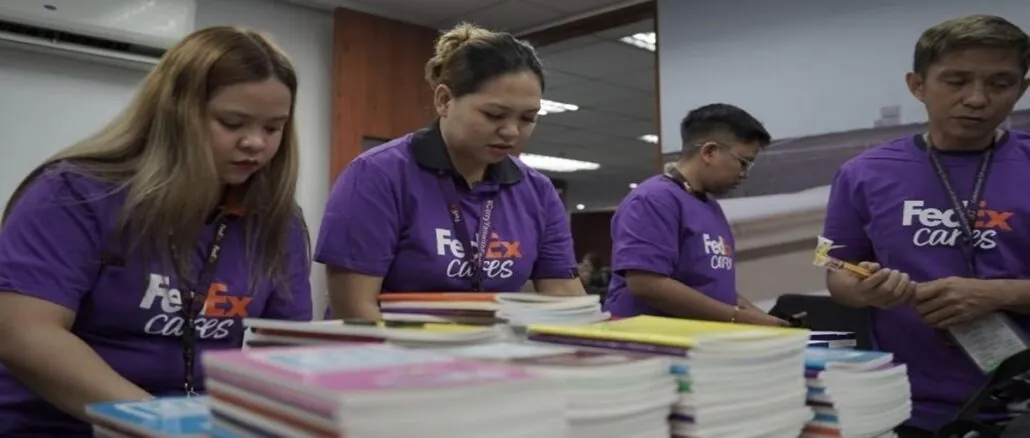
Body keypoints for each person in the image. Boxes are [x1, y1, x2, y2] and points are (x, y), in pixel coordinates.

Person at [0, 27, 313, 436]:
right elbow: (24, 334)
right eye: (232, 122)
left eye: (273, 128)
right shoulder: (72, 194)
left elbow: (286, 352)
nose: (255, 142)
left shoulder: (278, 221)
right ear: (174, 114)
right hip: (61, 425)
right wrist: (161, 425)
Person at [821, 15, 1030, 437]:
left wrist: (998, 294)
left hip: (1020, 406)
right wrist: (864, 288)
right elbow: (837, 268)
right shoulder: (863, 173)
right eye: (956, 81)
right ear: (918, 85)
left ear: (1022, 89)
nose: (976, 98)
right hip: (902, 404)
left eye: (1000, 83)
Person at [315, 23, 584, 321]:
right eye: (494, 115)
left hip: (488, 356)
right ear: (444, 100)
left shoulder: (537, 191)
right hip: (388, 356)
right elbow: (355, 308)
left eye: (528, 118)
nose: (511, 132)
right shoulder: (377, 175)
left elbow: (564, 296)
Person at [603, 104, 786, 326]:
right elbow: (646, 283)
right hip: (649, 345)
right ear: (709, 152)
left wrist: (770, 321)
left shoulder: (709, 206)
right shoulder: (653, 199)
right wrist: (737, 318)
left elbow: (714, 289)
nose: (744, 174)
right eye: (743, 162)